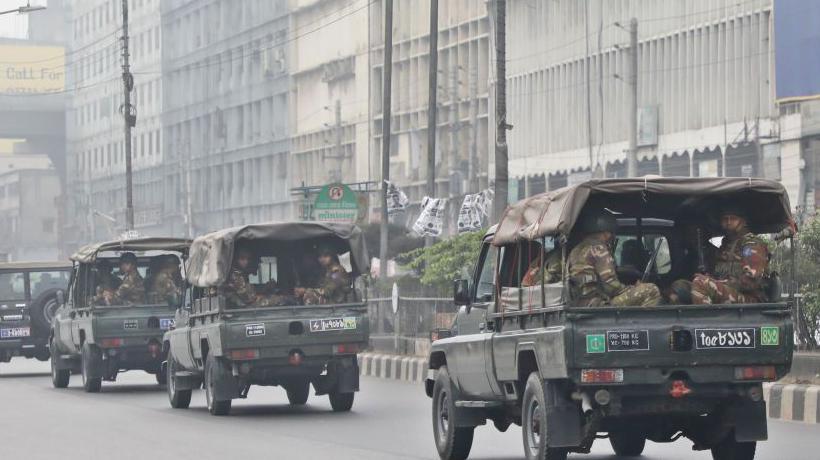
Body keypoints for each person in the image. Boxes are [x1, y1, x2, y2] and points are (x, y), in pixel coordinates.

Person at [567, 211, 662, 307]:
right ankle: (640, 322)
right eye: (611, 233)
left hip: (579, 304)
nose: (612, 236)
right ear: (606, 233)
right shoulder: (598, 248)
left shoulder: (576, 250)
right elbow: (610, 285)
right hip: (598, 306)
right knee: (651, 290)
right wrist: (632, 288)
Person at [691, 205, 770, 304]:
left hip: (750, 299)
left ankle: (705, 319)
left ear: (743, 221)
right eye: (725, 219)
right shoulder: (726, 246)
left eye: (733, 219)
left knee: (701, 283)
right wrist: (710, 277)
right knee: (679, 286)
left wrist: (713, 282)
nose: (728, 222)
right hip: (729, 291)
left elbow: (750, 282)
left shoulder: (751, 244)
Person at [223, 248, 293, 308]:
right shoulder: (236, 276)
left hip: (247, 304)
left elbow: (249, 293)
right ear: (235, 260)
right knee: (283, 299)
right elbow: (249, 299)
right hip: (247, 307)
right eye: (242, 259)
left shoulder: (239, 274)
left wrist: (264, 290)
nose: (246, 262)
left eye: (248, 259)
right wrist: (278, 298)